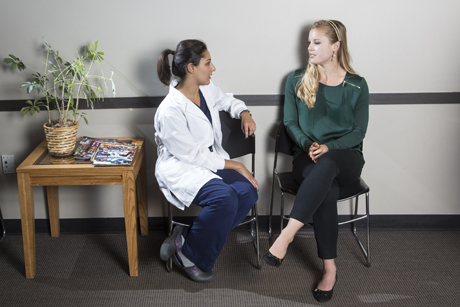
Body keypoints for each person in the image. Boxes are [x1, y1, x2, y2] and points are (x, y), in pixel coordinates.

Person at [263, 20, 369, 302]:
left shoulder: (357, 85)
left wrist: (329, 146)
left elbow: (359, 132)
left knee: (330, 164)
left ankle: (285, 237)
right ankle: (330, 270)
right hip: (307, 157)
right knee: (327, 188)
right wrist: (310, 144)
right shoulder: (296, 79)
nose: (309, 48)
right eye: (308, 42)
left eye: (317, 42)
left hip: (345, 159)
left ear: (335, 46)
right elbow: (289, 122)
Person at [155, 39, 259, 283]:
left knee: (248, 191)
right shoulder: (170, 109)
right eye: (208, 63)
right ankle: (193, 256)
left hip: (211, 161)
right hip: (183, 166)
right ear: (191, 68)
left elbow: (228, 101)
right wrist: (238, 165)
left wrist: (245, 113)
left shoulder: (206, 89)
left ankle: (186, 243)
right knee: (225, 198)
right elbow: (193, 156)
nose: (213, 68)